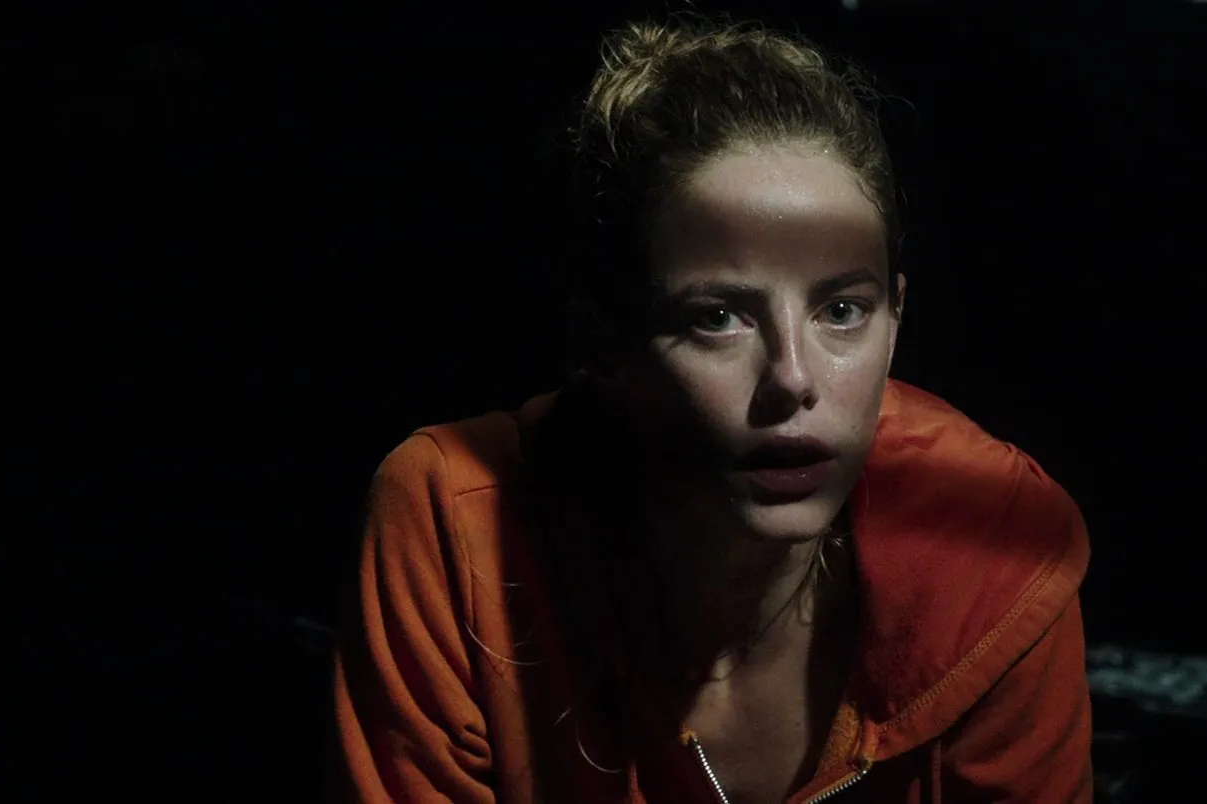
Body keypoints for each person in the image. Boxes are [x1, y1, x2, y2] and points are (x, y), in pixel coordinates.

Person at [331, 15, 1094, 804]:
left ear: (895, 320)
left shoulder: (1000, 551)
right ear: (607, 341)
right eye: (718, 317)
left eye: (842, 311)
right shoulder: (458, 521)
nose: (792, 378)